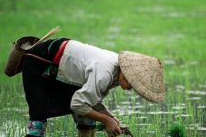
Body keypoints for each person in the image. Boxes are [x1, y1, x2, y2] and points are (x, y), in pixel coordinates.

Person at [16, 37, 164, 137]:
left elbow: (92, 98)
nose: (132, 89)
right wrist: (106, 121)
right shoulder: (105, 73)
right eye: (132, 84)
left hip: (61, 68)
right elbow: (77, 104)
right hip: (40, 63)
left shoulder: (115, 69)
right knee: (38, 118)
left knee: (87, 115)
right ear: (126, 74)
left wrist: (111, 118)